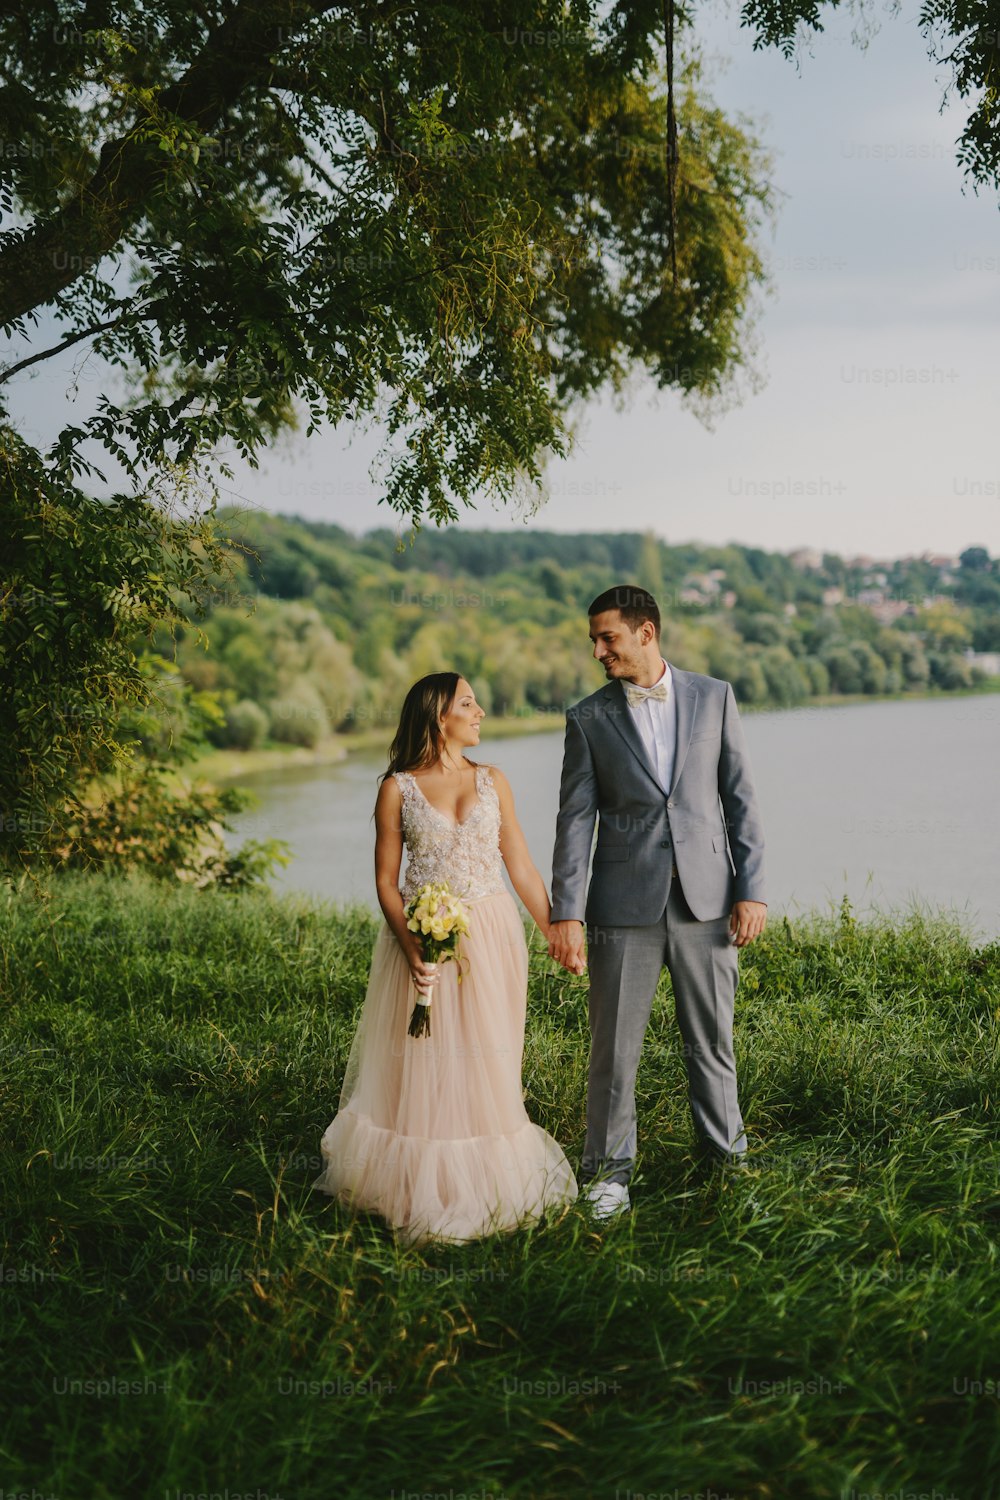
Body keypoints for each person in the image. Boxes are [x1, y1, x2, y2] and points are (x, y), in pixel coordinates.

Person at [313, 672, 578, 1243]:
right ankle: (417, 1184)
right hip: (421, 940)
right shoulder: (397, 788)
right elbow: (387, 883)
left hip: (492, 937)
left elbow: (522, 868)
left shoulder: (494, 781)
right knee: (426, 1058)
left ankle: (487, 1183)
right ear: (439, 716)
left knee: (488, 1059)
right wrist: (413, 949)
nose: (480, 711)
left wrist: (558, 931)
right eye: (468, 702)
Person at [548, 585, 767, 1220]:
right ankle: (608, 1176)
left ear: (646, 632)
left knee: (712, 1042)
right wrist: (568, 911)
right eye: (593, 639)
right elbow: (573, 822)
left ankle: (727, 1163)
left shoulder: (714, 697)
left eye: (607, 637)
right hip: (621, 908)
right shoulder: (587, 718)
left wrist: (751, 889)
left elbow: (741, 801)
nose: (597, 650)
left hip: (709, 904)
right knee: (613, 1049)